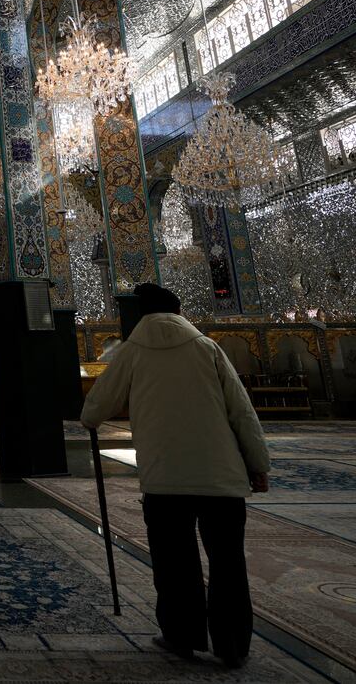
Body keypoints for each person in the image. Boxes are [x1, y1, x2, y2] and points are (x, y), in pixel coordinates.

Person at [81, 283, 270, 670]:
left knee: (175, 562)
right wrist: (258, 464)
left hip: (165, 480)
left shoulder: (132, 352)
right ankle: (232, 644)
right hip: (221, 478)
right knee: (228, 562)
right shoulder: (206, 348)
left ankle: (182, 637)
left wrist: (90, 419)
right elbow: (241, 411)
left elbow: (96, 406)